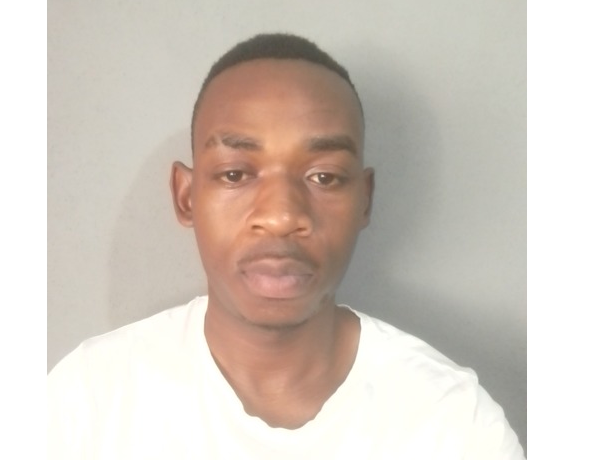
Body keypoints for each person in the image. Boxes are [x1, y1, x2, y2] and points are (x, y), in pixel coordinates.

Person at [48, 33, 525, 459]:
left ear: (364, 200)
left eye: (324, 177)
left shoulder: (453, 425)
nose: (281, 215)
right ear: (186, 197)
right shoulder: (86, 402)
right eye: (235, 174)